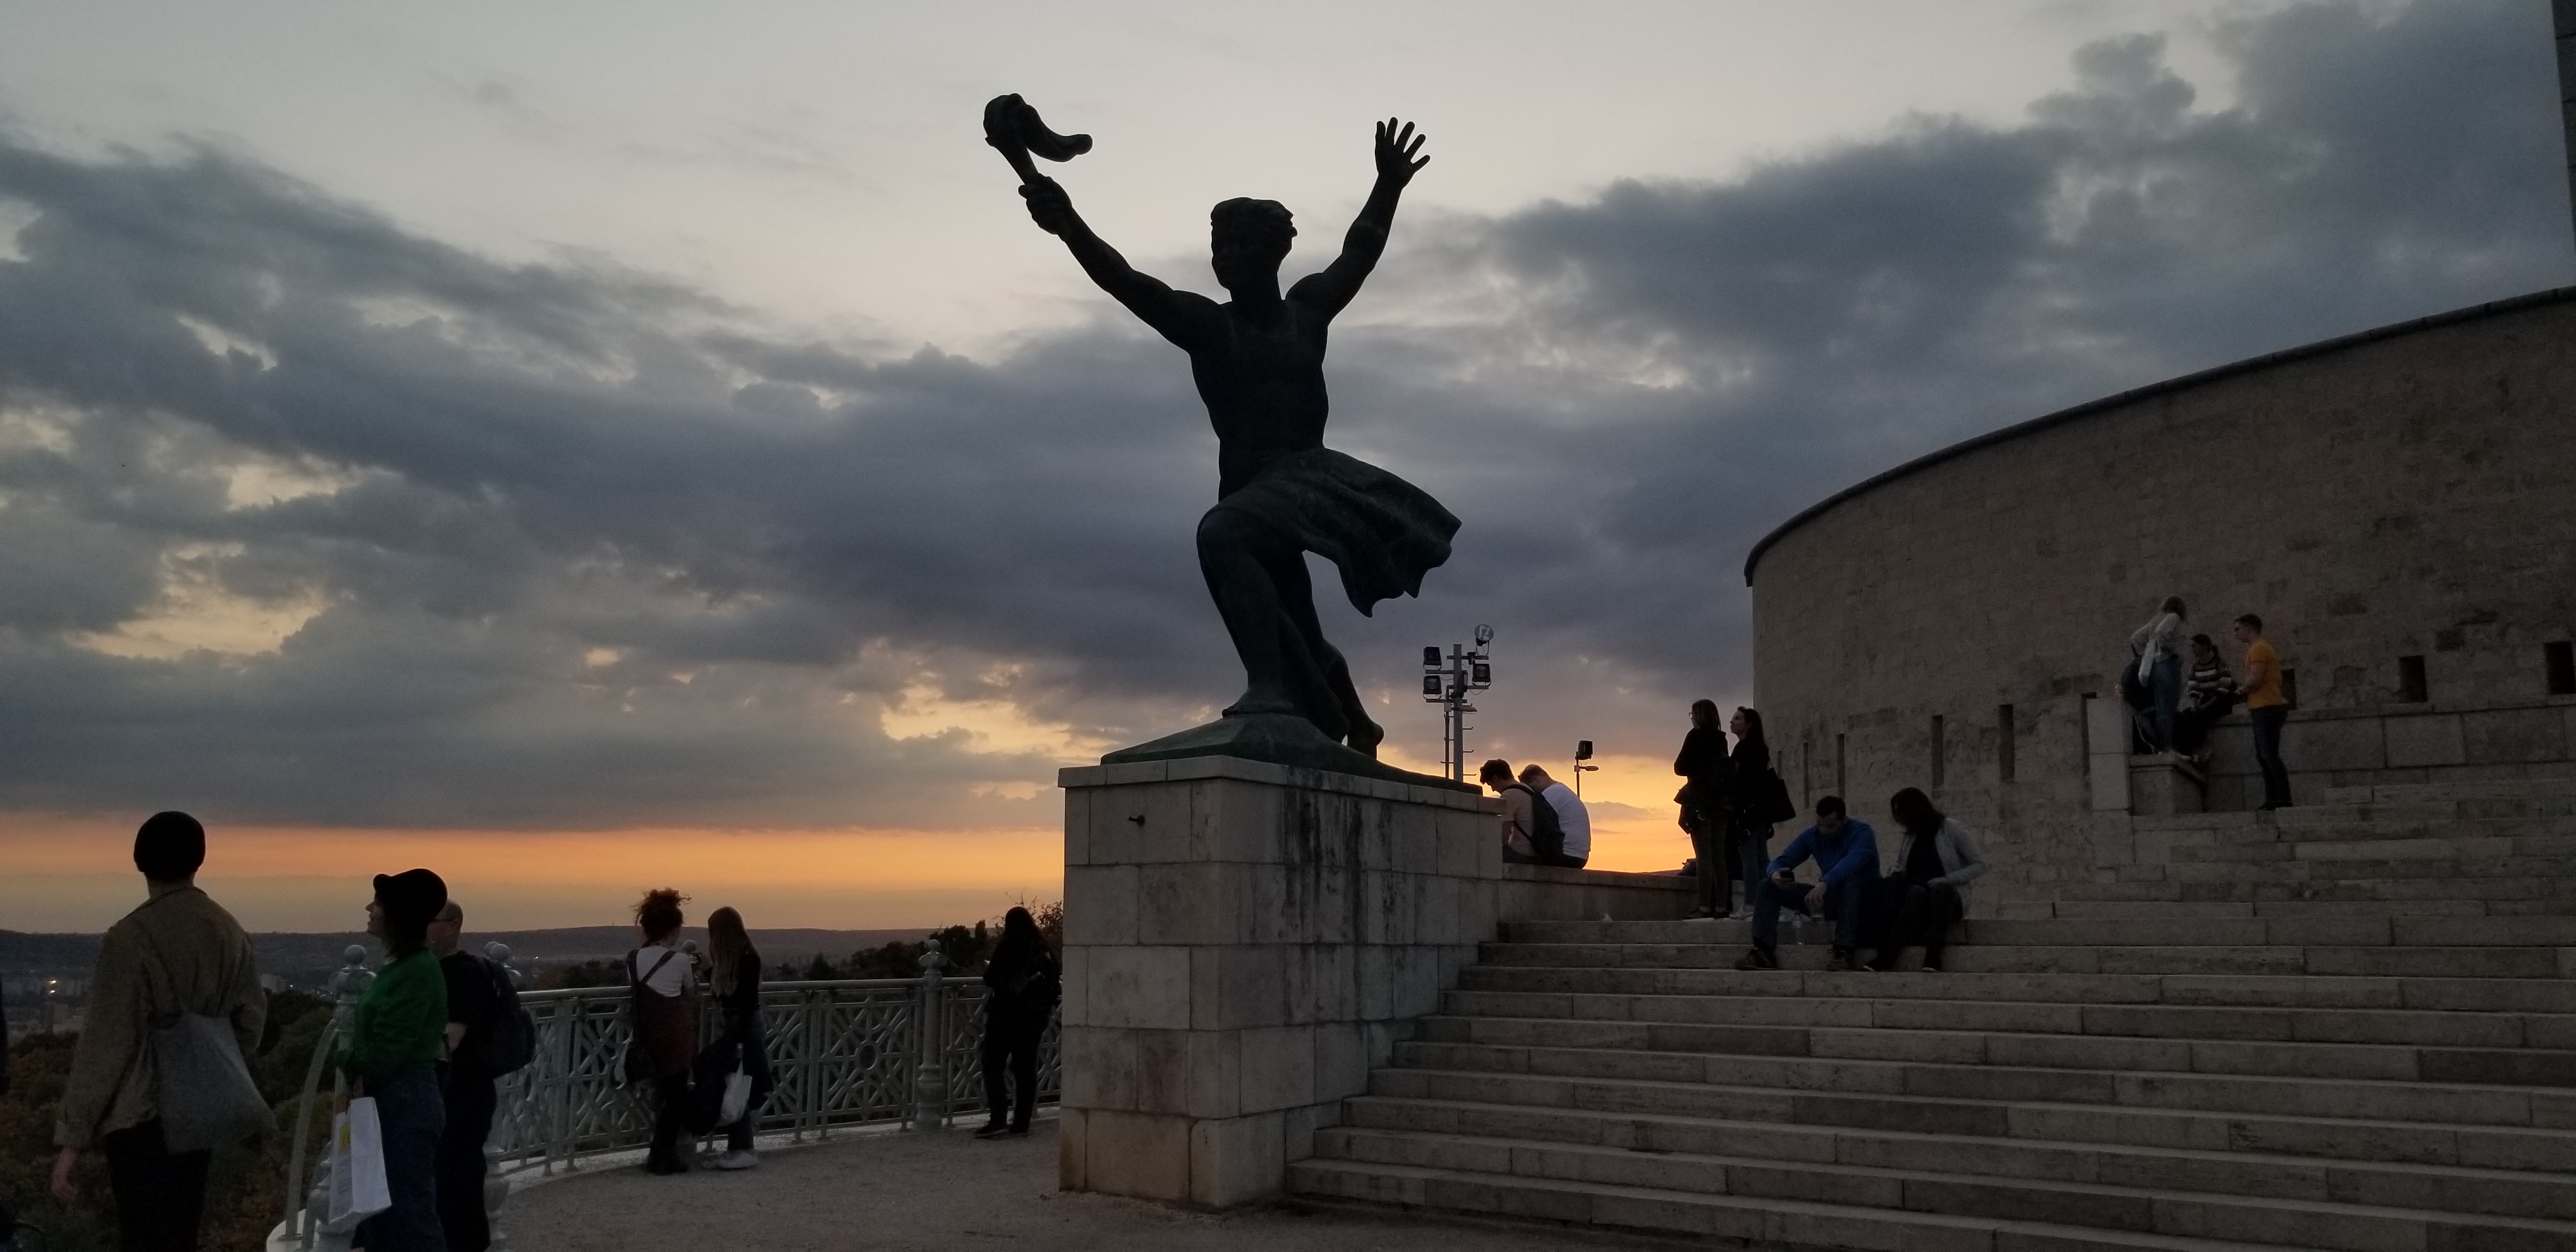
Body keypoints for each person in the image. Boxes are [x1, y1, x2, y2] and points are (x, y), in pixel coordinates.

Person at [1014, 112, 1456, 753]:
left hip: (1306, 476)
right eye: (1220, 248)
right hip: (1250, 485)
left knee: (1221, 536)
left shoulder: (1305, 312)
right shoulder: (1206, 325)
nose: (1228, 259)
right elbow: (1123, 279)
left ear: (1273, 254)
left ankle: (1270, 691)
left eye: (1243, 247)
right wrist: (1069, 225)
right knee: (1294, 619)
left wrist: (1388, 185)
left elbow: (1358, 252)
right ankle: (1357, 722)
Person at [51, 812, 265, 1252]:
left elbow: (106, 1044)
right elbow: (251, 1020)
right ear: (198, 859)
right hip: (202, 1107)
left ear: (139, 861)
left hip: (141, 1114)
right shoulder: (229, 931)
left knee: (145, 1234)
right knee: (180, 1232)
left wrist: (73, 1141)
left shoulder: (129, 938)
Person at [342, 869, 452, 1252]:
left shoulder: (416, 972)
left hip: (404, 1101)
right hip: (398, 1100)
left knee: (407, 1215)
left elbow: (387, 1052)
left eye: (379, 903)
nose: (370, 908)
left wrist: (346, 1057)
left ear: (397, 914)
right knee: (386, 1214)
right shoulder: (408, 967)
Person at [1735, 797, 1880, 972]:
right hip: (1832, 896)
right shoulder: (1813, 835)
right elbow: (1783, 860)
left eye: (1830, 826)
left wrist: (1825, 882)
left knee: (1850, 882)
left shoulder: (1862, 833)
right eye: (1820, 824)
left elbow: (1851, 863)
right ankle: (1763, 951)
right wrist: (1774, 875)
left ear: (1844, 821)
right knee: (1766, 886)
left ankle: (1844, 951)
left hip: (1863, 900)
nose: (1824, 831)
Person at [429, 901, 498, 1252]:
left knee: (457, 1180)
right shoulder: (454, 970)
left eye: (431, 920)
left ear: (454, 925)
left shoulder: (461, 973)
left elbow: (447, 1042)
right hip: (465, 1089)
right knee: (459, 1178)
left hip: (462, 1091)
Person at [1865, 789, 1987, 973]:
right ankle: (1887, 957)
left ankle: (1933, 956)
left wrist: (1947, 879)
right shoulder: (1910, 837)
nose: (1901, 819)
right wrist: (1896, 873)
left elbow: (1979, 864)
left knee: (1941, 890)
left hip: (1949, 898)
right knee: (1917, 893)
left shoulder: (1952, 829)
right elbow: (1899, 863)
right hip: (1917, 897)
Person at [974, 907, 1061, 1140]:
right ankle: (1021, 1122)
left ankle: (998, 1119)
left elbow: (990, 978)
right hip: (1034, 1018)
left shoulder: (1009, 944)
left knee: (993, 1064)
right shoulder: (1041, 947)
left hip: (1005, 1014)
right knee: (1025, 1069)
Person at [627, 889, 695, 1175]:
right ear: (673, 928)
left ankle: (659, 1154)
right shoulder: (679, 960)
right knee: (677, 1097)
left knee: (662, 1094)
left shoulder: (633, 958)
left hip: (646, 1034)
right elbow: (691, 995)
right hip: (675, 1034)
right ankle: (662, 1153)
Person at [702, 906, 772, 1168]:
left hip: (743, 1028)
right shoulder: (744, 956)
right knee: (736, 1083)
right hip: (739, 1026)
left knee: (739, 1084)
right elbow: (732, 995)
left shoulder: (747, 959)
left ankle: (744, 1148)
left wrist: (734, 1042)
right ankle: (738, 1147)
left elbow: (740, 1002)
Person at [1672, 701, 1734, 919]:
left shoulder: (1695, 736)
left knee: (1704, 857)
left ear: (1698, 715)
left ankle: (1705, 906)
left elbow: (1680, 767)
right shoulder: (1721, 738)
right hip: (1721, 803)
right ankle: (1723, 906)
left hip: (1700, 801)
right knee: (1720, 857)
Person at [2237, 613, 2293, 809]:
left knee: (2269, 755)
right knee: (2264, 756)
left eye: (2238, 629)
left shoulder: (2259, 649)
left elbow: (2255, 680)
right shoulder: (2256, 649)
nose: (2236, 634)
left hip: (2268, 707)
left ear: (2250, 627)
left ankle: (2282, 799)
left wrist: (2240, 691)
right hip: (2263, 707)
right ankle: (2274, 799)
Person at [1729, 707, 1779, 918]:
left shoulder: (1743, 749)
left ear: (1748, 724)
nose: (1732, 722)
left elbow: (1735, 781)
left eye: (1737, 719)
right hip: (1761, 811)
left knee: (1749, 859)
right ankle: (1772, 900)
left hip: (1747, 811)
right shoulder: (1761, 748)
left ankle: (1751, 903)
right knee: (1762, 858)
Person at [2130, 597, 2188, 751]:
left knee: (2161, 707)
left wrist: (2146, 655)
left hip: (2154, 668)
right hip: (2167, 664)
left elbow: (2136, 638)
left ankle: (2163, 744)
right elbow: (2162, 634)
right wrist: (2175, 651)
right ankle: (2166, 744)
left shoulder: (2154, 621)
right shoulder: (2173, 617)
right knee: (2169, 706)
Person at [2172, 634, 2239, 761]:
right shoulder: (2195, 667)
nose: (2192, 649)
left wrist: (2203, 707)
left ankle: (2198, 749)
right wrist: (2194, 704)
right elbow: (2193, 687)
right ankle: (2184, 750)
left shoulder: (2219, 663)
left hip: (2221, 701)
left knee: (2199, 717)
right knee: (2183, 716)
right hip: (2205, 700)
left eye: (2194, 646)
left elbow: (2223, 688)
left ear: (2205, 647)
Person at [1519, 764, 1591, 869]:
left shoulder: (1551, 794)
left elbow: (1536, 823)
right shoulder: (1561, 790)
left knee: (1518, 858)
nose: (1534, 793)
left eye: (1532, 788)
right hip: (1578, 856)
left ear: (1536, 778)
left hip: (1566, 855)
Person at [1480, 760, 1544, 864]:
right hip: (1537, 851)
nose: (1493, 790)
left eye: (1491, 784)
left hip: (1522, 852)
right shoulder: (1527, 789)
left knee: (1481, 856)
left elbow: (1503, 835)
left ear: (1496, 778)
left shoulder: (1509, 795)